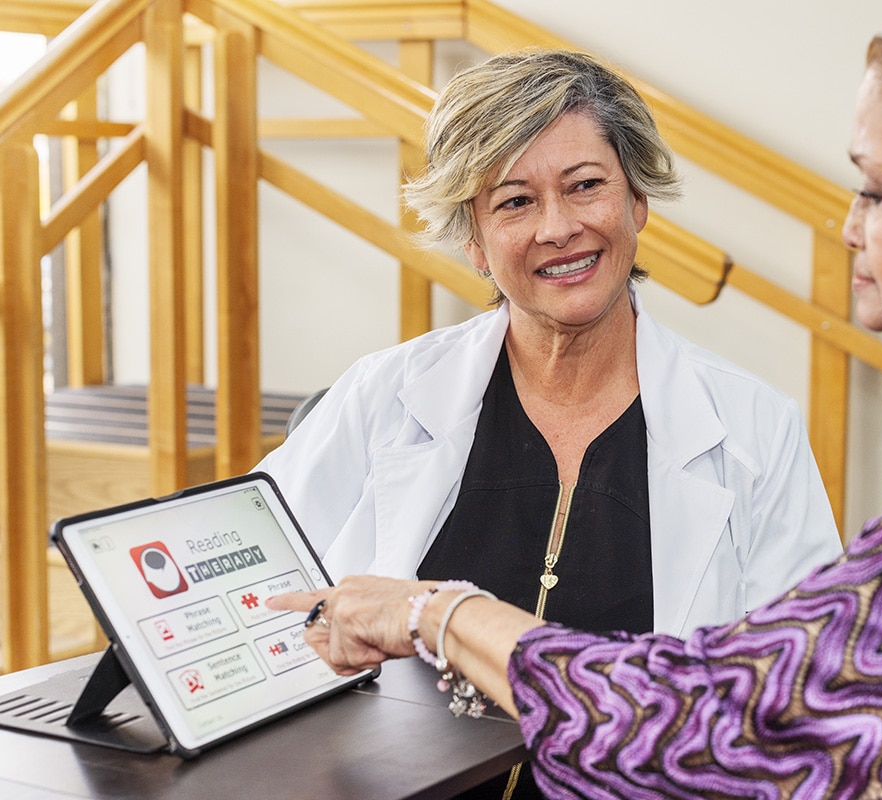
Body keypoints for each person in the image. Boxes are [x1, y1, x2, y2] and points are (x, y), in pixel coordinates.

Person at [270, 1, 882, 794]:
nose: (846, 229)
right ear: (471, 236)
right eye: (513, 202)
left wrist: (436, 613)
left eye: (875, 191)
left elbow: (750, 717)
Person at [257, 48, 842, 798]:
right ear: (472, 239)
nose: (558, 227)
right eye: (513, 202)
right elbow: (253, 595)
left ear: (637, 203)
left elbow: (802, 695)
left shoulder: (754, 428)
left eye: (585, 186)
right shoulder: (384, 395)